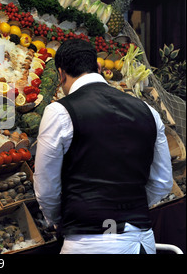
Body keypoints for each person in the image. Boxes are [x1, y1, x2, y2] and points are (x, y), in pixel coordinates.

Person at [33, 39, 173, 254]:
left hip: (88, 243)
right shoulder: (148, 111)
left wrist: (59, 218)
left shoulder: (59, 111)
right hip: (139, 241)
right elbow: (163, 183)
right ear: (98, 67)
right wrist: (128, 209)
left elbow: (46, 187)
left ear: (61, 74)